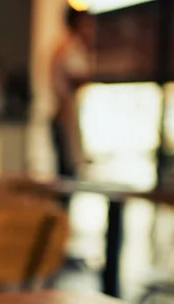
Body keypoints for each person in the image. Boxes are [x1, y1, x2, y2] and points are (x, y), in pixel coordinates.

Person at [50, 7, 95, 179]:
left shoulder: (64, 46)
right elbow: (75, 76)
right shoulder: (70, 47)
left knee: (67, 170)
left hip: (64, 114)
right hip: (64, 115)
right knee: (67, 174)